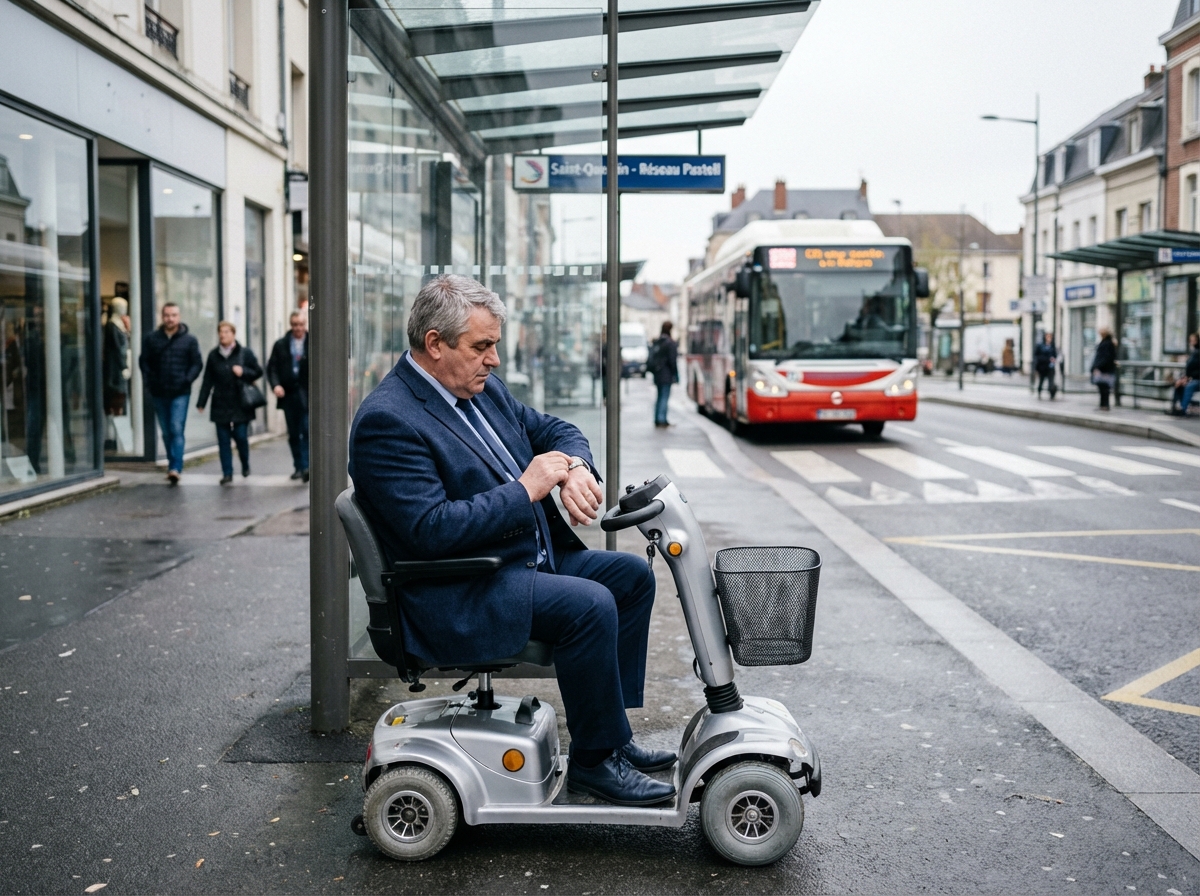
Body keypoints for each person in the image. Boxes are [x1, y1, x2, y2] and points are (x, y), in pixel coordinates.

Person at [349, 275, 675, 807]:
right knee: (589, 605)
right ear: (435, 344)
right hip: (459, 587)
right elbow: (431, 530)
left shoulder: (480, 387)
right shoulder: (388, 421)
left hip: (522, 560)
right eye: (481, 346)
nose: (494, 359)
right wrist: (526, 490)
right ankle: (596, 763)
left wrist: (572, 467)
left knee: (631, 577)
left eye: (494, 344)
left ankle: (611, 736)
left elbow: (553, 429)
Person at [140, 303, 203, 483]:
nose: (170, 319)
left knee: (176, 427)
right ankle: (171, 464)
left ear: (179, 316)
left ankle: (176, 467)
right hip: (159, 391)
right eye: (167, 315)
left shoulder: (189, 340)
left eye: (174, 315)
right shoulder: (152, 339)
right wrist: (149, 381)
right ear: (162, 316)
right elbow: (144, 361)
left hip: (180, 392)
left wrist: (187, 379)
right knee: (166, 431)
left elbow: (197, 363)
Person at [197, 321, 263, 485]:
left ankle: (245, 464)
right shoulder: (213, 355)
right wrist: (201, 402)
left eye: (227, 332)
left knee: (241, 436)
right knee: (223, 440)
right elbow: (207, 380)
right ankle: (227, 473)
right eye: (221, 332)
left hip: (240, 402)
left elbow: (258, 371)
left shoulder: (245, 353)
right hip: (220, 402)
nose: (223, 335)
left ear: (233, 334)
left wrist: (243, 372)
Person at [267, 311, 310, 481]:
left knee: (306, 430)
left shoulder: (312, 342)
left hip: (307, 395)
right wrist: (276, 385)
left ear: (305, 324)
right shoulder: (281, 345)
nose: (298, 328)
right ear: (290, 325)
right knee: (293, 433)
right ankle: (298, 466)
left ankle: (307, 466)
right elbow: (272, 368)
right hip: (289, 395)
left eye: (300, 324)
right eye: (294, 325)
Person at [647, 321, 679, 428]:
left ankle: (658, 418)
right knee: (664, 397)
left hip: (657, 374)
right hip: (666, 374)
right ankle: (662, 419)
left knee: (659, 396)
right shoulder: (670, 343)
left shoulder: (658, 341)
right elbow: (672, 361)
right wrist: (675, 375)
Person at [1171, 332, 1200, 417]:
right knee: (1179, 386)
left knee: (1189, 386)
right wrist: (1184, 378)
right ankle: (1177, 407)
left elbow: (1194, 368)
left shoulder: (1197, 353)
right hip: (1192, 378)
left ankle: (1183, 409)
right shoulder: (1194, 352)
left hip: (1196, 379)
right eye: (1191, 340)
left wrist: (1187, 379)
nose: (1192, 342)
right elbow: (1190, 368)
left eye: (1194, 340)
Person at [1090, 328, 1118, 411]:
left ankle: (1105, 405)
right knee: (1102, 388)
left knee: (1104, 388)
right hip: (1105, 368)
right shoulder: (1107, 343)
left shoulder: (1107, 343)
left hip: (1105, 369)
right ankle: (1103, 405)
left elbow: (1105, 357)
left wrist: (1098, 366)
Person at [1033, 332, 1058, 399]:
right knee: (1041, 381)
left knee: (1051, 382)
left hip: (1050, 367)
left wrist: (1053, 359)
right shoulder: (1040, 346)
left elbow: (1055, 355)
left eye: (1050, 337)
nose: (1049, 338)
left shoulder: (1052, 346)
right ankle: (1039, 392)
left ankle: (1051, 394)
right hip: (1042, 367)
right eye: (1048, 336)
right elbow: (1037, 356)